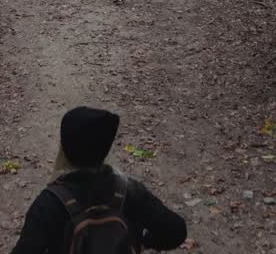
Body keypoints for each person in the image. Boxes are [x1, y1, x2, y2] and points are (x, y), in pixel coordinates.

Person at [10, 107, 187, 253]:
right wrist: (144, 240)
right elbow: (176, 231)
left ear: (65, 147)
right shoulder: (129, 191)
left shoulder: (49, 204)